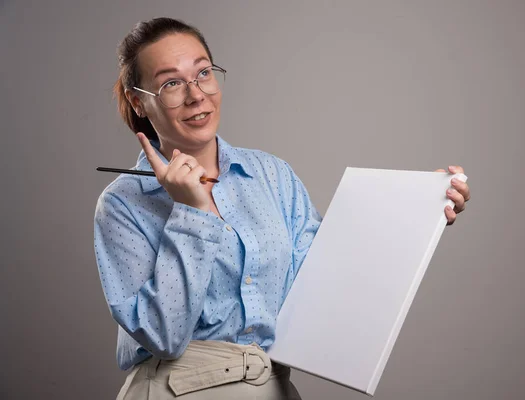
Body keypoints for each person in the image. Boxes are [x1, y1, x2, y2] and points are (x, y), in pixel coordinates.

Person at [93, 17, 471, 400]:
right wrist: (193, 210)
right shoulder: (123, 202)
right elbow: (163, 336)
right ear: (139, 100)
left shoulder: (272, 175)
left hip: (273, 387)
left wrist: (418, 210)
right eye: (171, 83)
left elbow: (324, 286)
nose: (196, 95)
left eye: (203, 72)